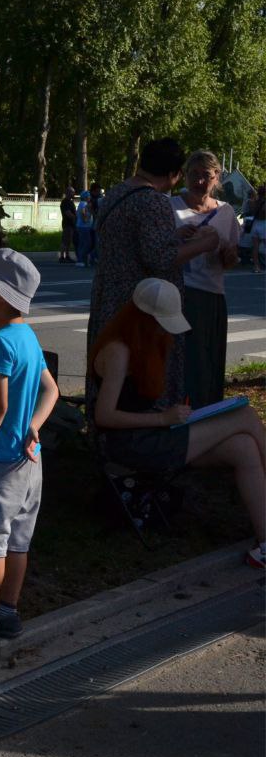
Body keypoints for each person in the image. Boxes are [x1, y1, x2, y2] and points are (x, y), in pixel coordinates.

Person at [90, 278, 266, 567]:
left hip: (152, 434)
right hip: (133, 445)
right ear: (144, 319)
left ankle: (264, 542)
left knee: (243, 446)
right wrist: (162, 417)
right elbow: (103, 416)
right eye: (161, 322)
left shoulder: (140, 344)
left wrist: (166, 416)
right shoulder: (118, 351)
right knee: (245, 415)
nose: (164, 330)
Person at [0, 250, 60, 646]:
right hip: (29, 462)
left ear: (1, 295)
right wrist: (34, 427)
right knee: (19, 542)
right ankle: (9, 613)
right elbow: (50, 389)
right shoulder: (28, 338)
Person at [86, 138, 219, 415]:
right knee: (140, 375)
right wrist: (203, 245)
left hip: (109, 295)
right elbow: (159, 258)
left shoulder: (117, 192)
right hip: (142, 305)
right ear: (174, 174)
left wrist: (172, 238)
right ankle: (150, 434)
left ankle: (105, 431)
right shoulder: (154, 201)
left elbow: (133, 242)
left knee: (111, 373)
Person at [171, 151, 240, 408]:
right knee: (186, 362)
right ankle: (183, 412)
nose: (199, 181)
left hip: (213, 296)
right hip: (179, 296)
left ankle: (209, 412)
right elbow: (158, 251)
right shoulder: (171, 206)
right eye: (194, 174)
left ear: (216, 178)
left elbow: (229, 263)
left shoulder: (226, 212)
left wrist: (228, 253)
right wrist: (177, 235)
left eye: (206, 175)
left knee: (211, 360)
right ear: (184, 175)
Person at [74, 188, 95, 267]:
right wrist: (85, 219)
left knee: (82, 243)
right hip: (84, 226)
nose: (90, 197)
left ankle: (81, 260)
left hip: (81, 226)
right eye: (88, 196)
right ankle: (81, 259)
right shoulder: (84, 204)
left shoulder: (82, 203)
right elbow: (83, 212)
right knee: (87, 243)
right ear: (86, 197)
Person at [59, 186, 77, 263]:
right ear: (68, 193)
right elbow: (68, 213)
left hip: (71, 224)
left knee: (68, 241)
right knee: (65, 241)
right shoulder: (65, 202)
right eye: (72, 192)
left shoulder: (70, 201)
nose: (74, 194)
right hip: (67, 224)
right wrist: (77, 218)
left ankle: (67, 256)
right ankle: (62, 257)